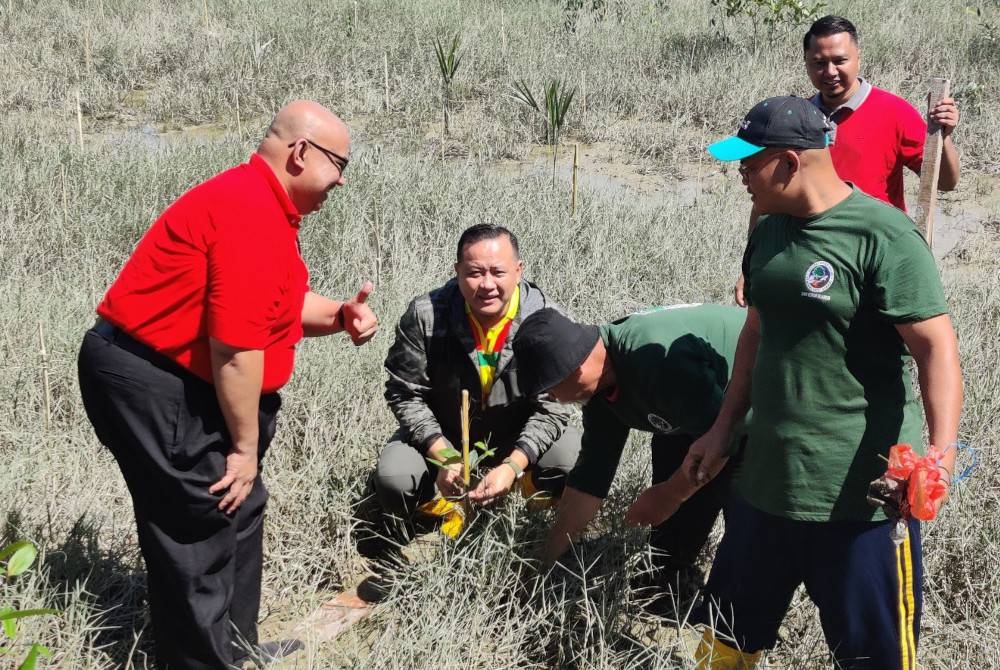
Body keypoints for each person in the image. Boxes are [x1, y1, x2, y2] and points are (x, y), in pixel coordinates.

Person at [77, 100, 378, 669]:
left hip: (174, 374)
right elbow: (237, 351)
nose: (341, 178)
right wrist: (243, 448)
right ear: (300, 154)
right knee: (202, 521)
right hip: (151, 378)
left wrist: (339, 314)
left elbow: (278, 309)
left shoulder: (262, 206)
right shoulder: (249, 213)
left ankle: (233, 649)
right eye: (339, 163)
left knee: (241, 509)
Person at [690, 95, 962, 669]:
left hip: (860, 498)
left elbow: (936, 349)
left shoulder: (883, 236)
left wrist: (939, 456)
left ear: (789, 163)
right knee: (726, 642)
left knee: (874, 657)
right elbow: (754, 334)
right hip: (765, 484)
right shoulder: (767, 231)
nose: (740, 173)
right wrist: (721, 430)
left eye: (748, 162)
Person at [355, 224, 581, 593]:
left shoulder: (545, 321)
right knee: (394, 478)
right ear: (457, 271)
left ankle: (527, 520)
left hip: (514, 436)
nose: (486, 284)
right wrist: (443, 454)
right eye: (474, 273)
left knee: (567, 458)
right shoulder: (426, 315)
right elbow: (403, 392)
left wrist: (512, 464)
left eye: (498, 272)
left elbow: (552, 408)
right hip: (441, 433)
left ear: (519, 271)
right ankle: (432, 515)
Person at [512, 303, 747, 602]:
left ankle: (734, 613)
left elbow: (724, 436)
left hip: (754, 405)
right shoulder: (599, 387)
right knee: (673, 466)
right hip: (691, 408)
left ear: (576, 369)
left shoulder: (654, 360)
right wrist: (543, 564)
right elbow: (590, 480)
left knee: (744, 509)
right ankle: (666, 580)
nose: (552, 398)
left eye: (551, 389)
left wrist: (670, 495)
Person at [734, 14, 961, 306]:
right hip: (803, 254)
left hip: (871, 255)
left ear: (858, 58)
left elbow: (944, 182)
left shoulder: (893, 112)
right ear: (806, 62)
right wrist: (750, 264)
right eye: (818, 63)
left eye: (840, 60)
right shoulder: (793, 118)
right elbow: (766, 198)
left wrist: (945, 138)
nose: (829, 71)